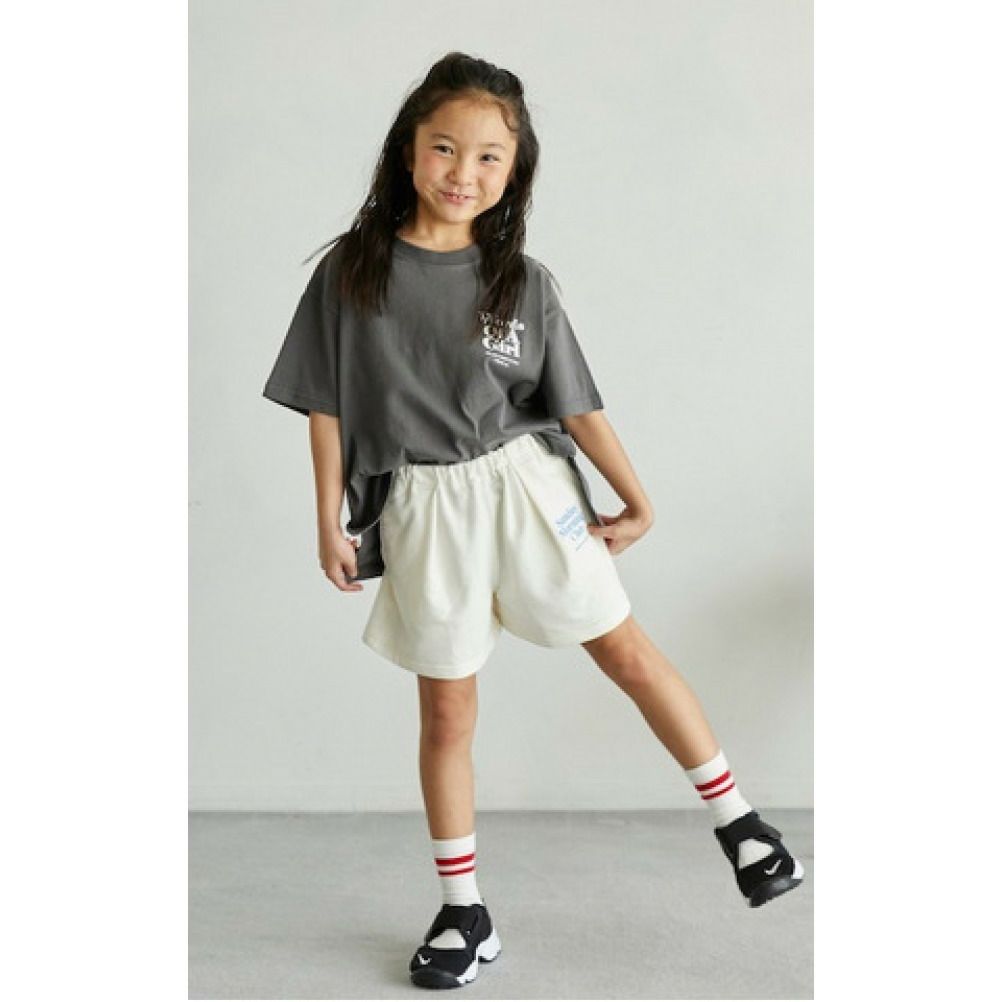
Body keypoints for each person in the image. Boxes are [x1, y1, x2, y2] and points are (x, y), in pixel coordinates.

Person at [262, 51, 804, 991]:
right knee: (447, 708)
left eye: (489, 158)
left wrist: (636, 496)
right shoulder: (352, 273)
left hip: (527, 489)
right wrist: (327, 522)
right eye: (444, 148)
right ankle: (463, 910)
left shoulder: (522, 281)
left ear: (514, 175)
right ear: (407, 150)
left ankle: (741, 824)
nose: (462, 173)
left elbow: (577, 406)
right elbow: (326, 407)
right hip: (425, 504)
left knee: (625, 650)